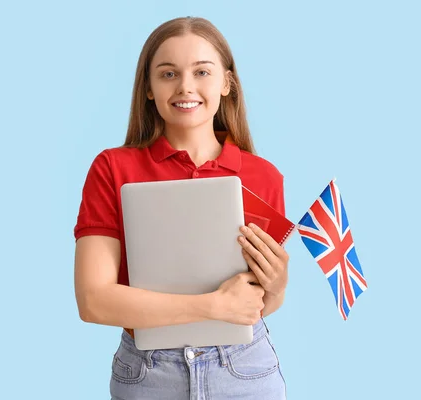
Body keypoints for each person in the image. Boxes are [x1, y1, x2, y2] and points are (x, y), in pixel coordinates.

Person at [73, 16, 289, 400]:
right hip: (149, 372)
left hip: (244, 369)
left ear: (226, 83)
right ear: (149, 90)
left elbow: (257, 306)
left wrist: (277, 284)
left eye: (202, 71)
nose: (185, 87)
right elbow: (93, 301)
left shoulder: (263, 176)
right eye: (168, 73)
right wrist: (212, 305)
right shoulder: (113, 168)